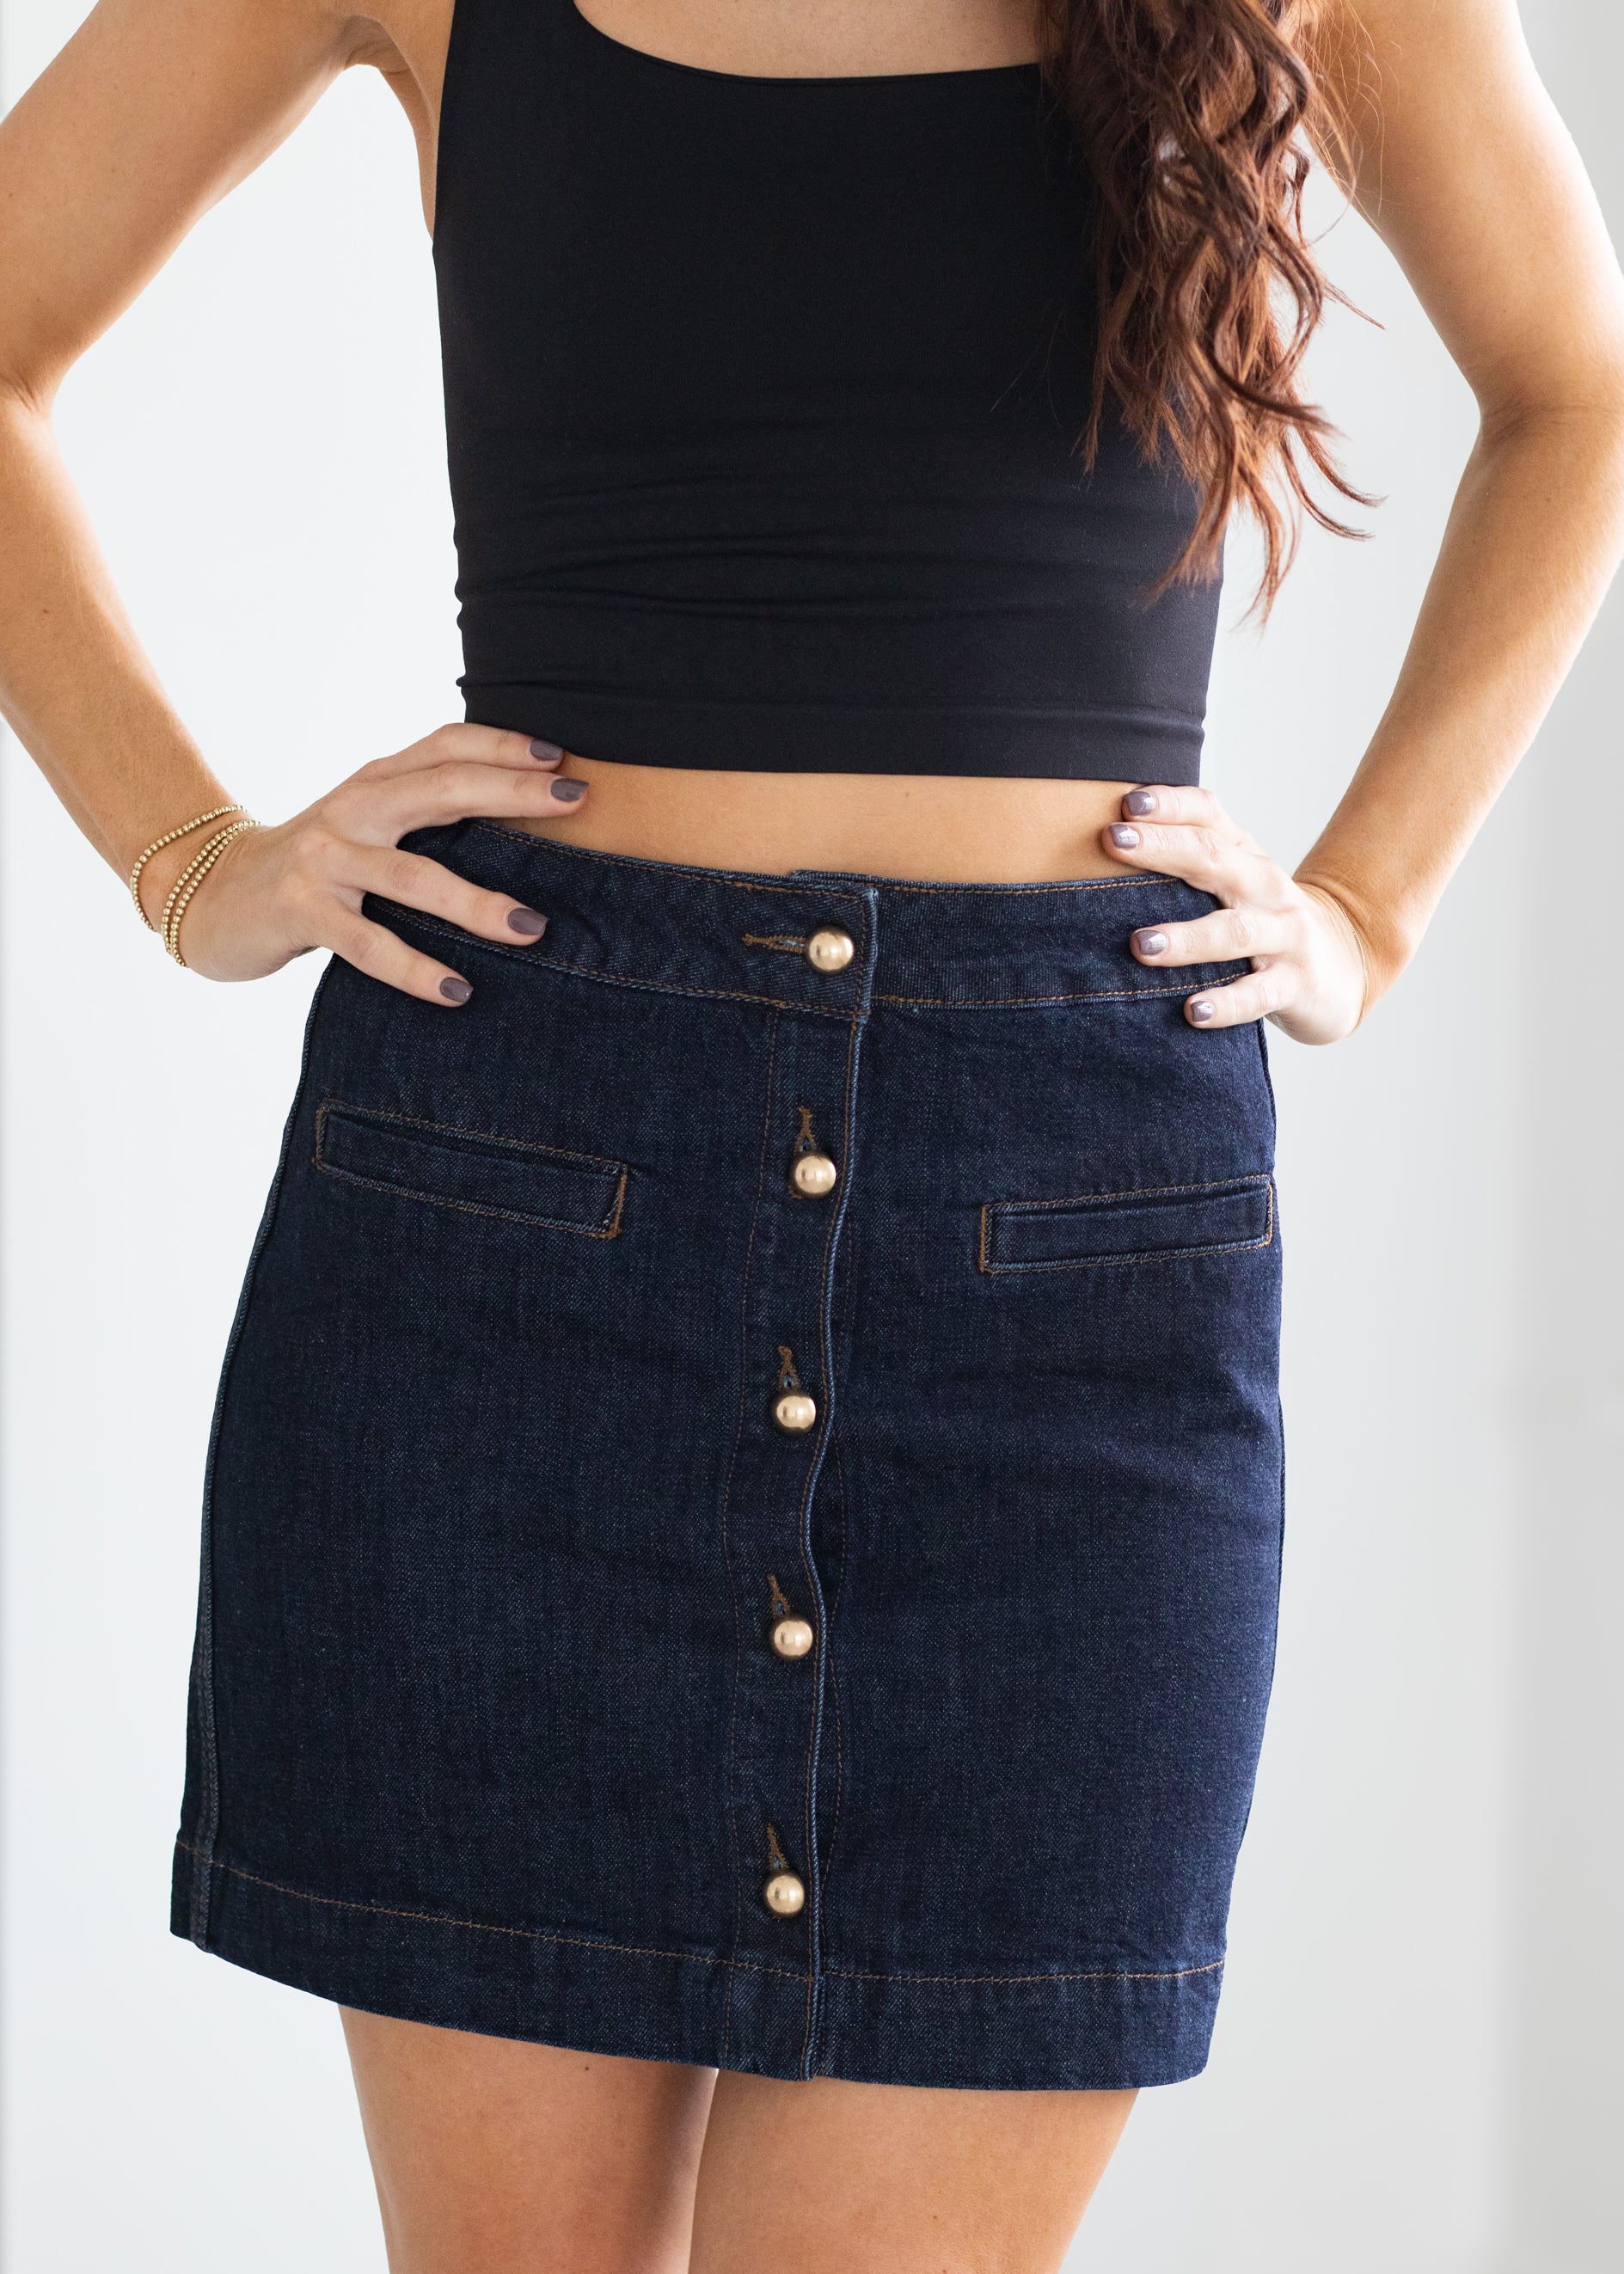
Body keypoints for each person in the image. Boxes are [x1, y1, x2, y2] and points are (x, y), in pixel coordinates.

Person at [2, 1, 1621, 2267]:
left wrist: (1368, 904)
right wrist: (195, 863)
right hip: (515, 1193)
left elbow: (1572, 386)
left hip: (1063, 1227)